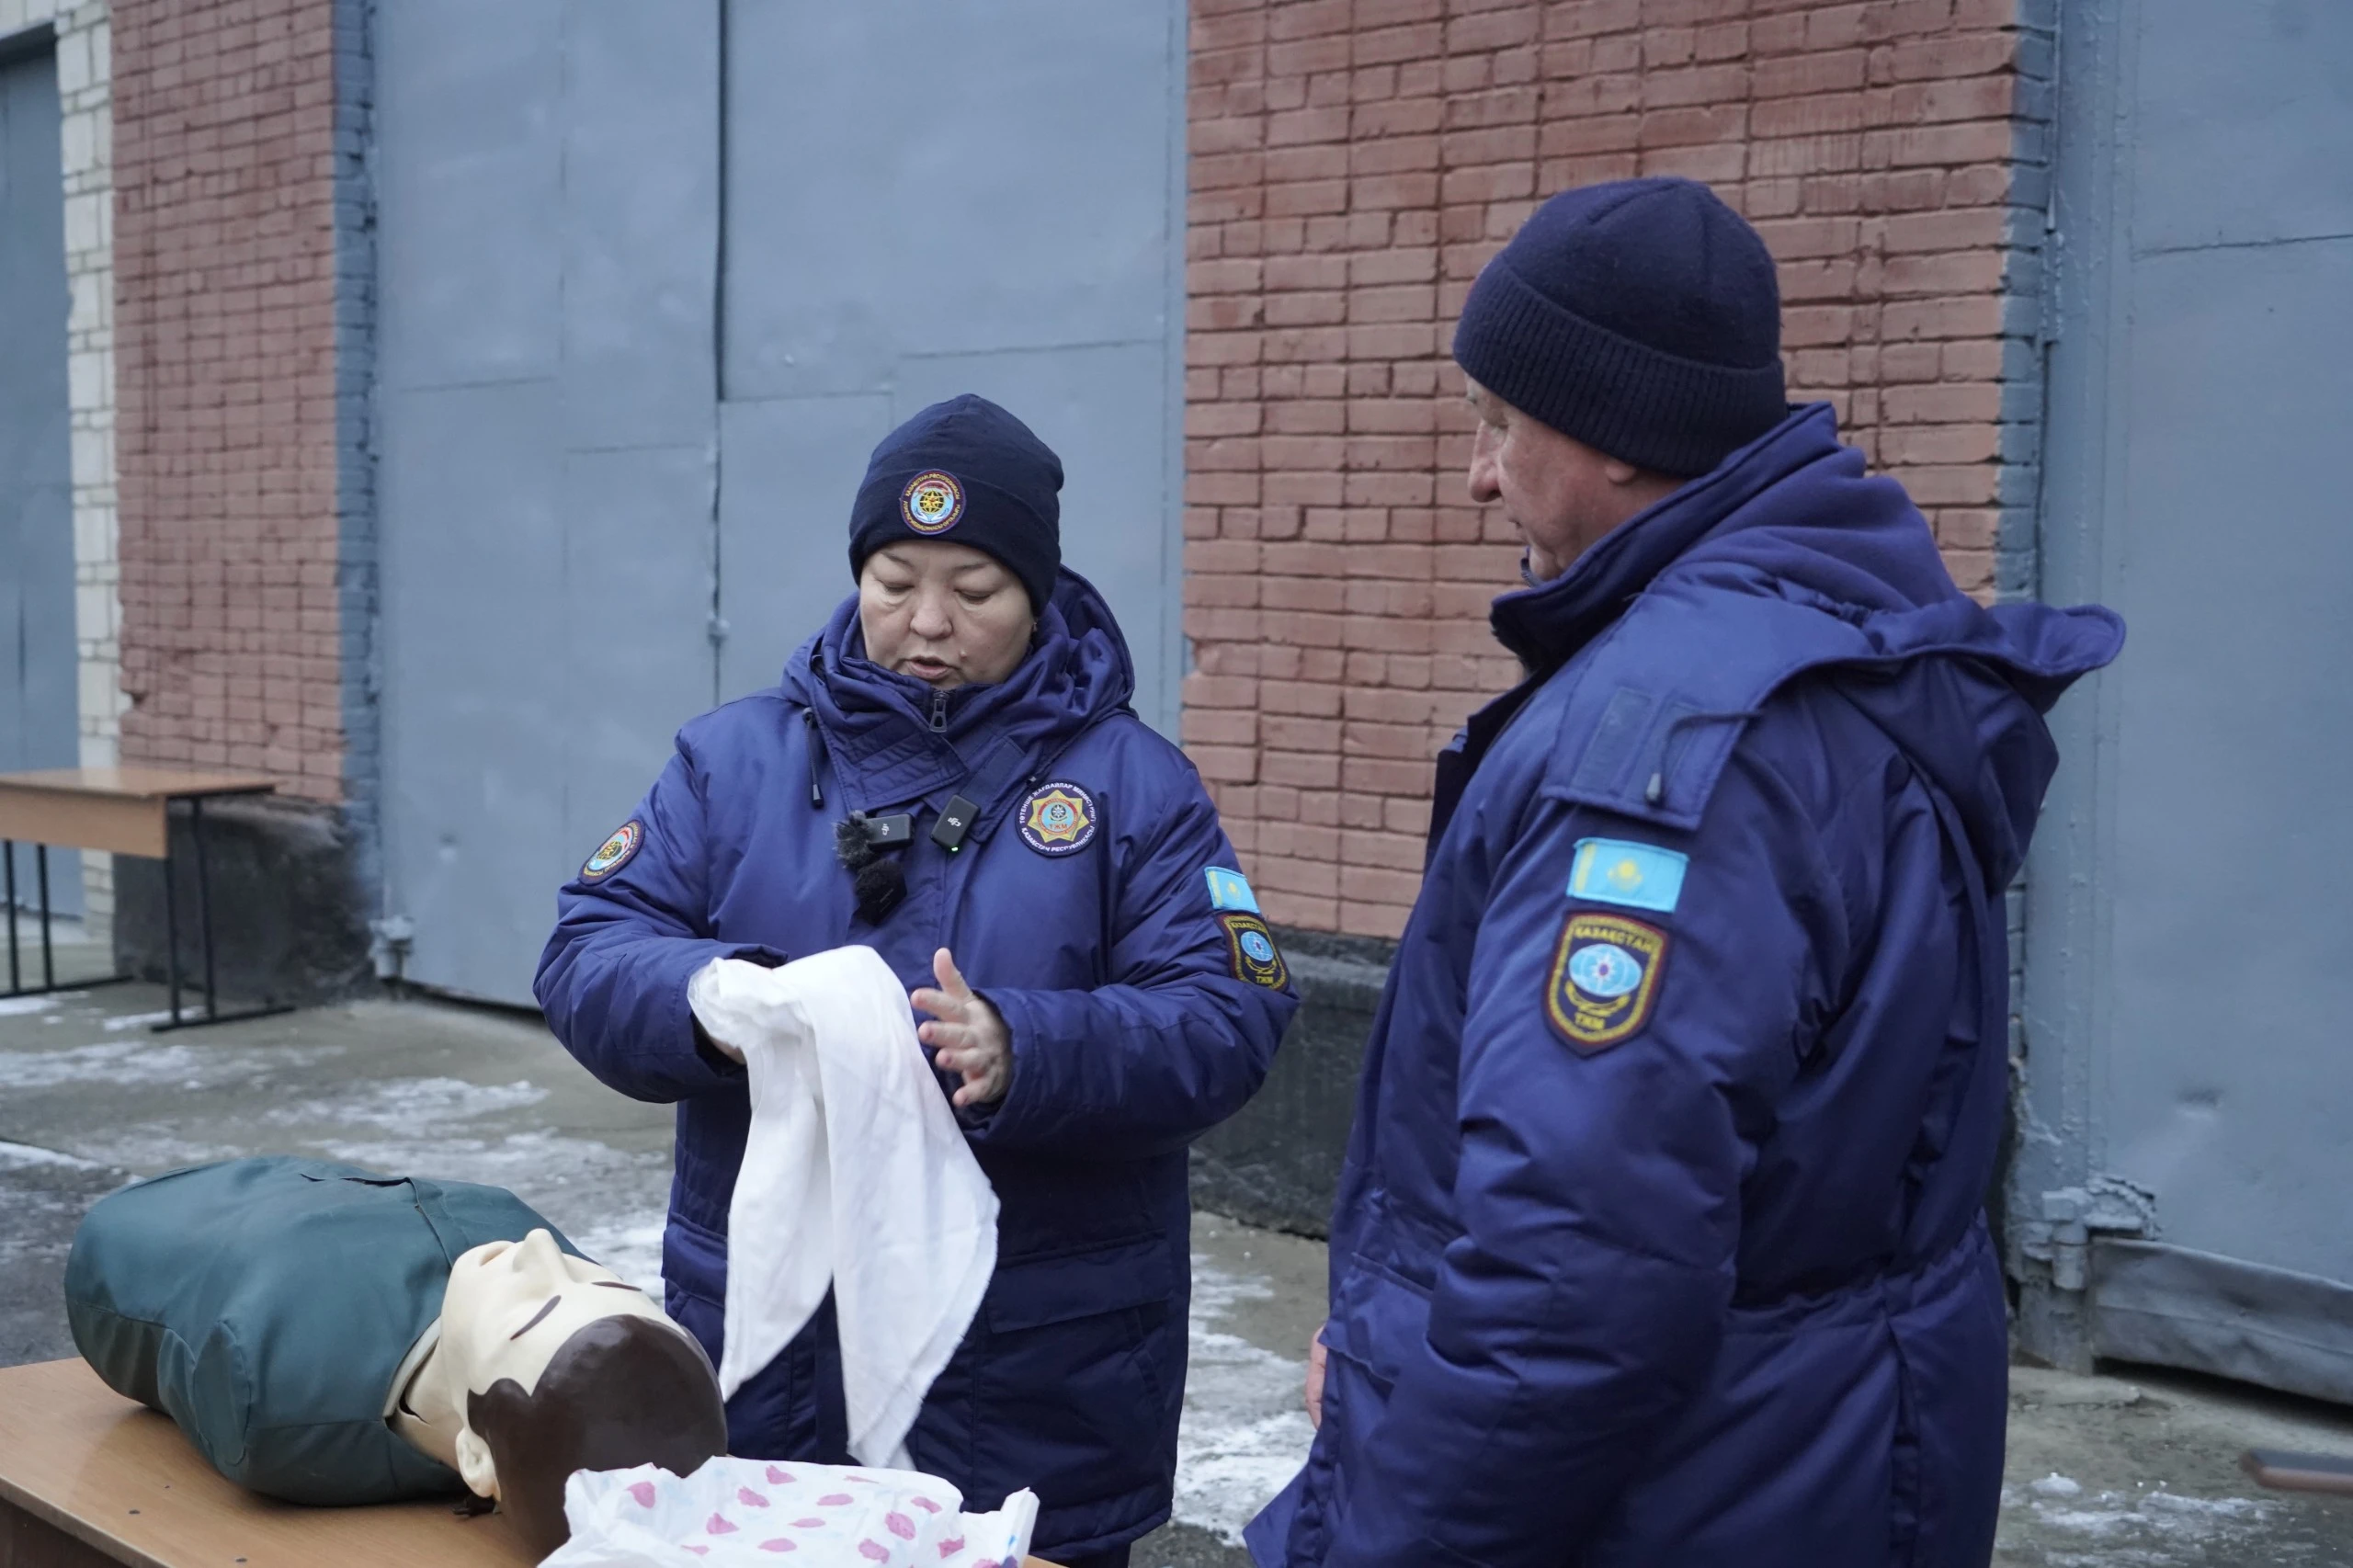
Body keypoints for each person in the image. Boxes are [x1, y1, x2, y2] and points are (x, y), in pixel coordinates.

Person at [1245, 179, 2124, 1568]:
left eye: (1497, 422)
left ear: (1615, 437)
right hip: (1822, 1449)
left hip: (1690, 1489)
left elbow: (1574, 1272)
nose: (1478, 475)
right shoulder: (1851, 635)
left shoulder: (1666, 749)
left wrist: (1397, 1527)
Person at [536, 393, 1298, 1568]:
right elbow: (589, 945)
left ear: (1037, 592)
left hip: (1033, 1363)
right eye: (893, 582)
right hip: (777, 1356)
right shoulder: (732, 761)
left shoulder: (1133, 786)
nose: (928, 621)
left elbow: (1225, 1011)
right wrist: (713, 998)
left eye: (975, 589)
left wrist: (1026, 1046)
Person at [65, 1155, 726, 1557]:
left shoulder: (275, 1378)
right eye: (601, 1278)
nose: (540, 1250)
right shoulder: (514, 1246)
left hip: (160, 1218)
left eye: (534, 1310)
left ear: (477, 1458)